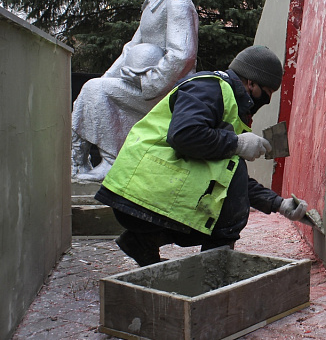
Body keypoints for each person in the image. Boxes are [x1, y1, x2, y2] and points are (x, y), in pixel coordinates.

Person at [94, 46, 308, 267]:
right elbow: (184, 135)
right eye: (267, 93)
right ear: (251, 83)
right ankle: (216, 271)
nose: (266, 101)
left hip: (146, 195)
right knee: (226, 210)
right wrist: (236, 143)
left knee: (229, 184)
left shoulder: (230, 107)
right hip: (141, 194)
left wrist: (279, 204)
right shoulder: (210, 87)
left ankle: (142, 241)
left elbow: (229, 176)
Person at [72, 0, 199, 181]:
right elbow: (130, 48)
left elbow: (182, 56)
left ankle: (113, 161)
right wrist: (107, 78)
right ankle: (78, 162)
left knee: (94, 90)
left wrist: (147, 82)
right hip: (148, 85)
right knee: (93, 87)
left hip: (169, 92)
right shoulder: (154, 3)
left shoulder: (176, 1)